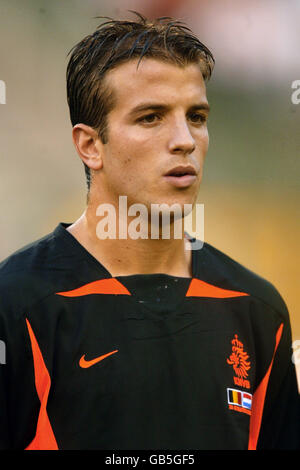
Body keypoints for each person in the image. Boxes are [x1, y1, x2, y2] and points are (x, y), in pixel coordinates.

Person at [0, 12, 299, 451]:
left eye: (196, 116)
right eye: (151, 117)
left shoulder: (256, 311)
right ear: (89, 145)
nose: (184, 140)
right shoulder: (16, 305)